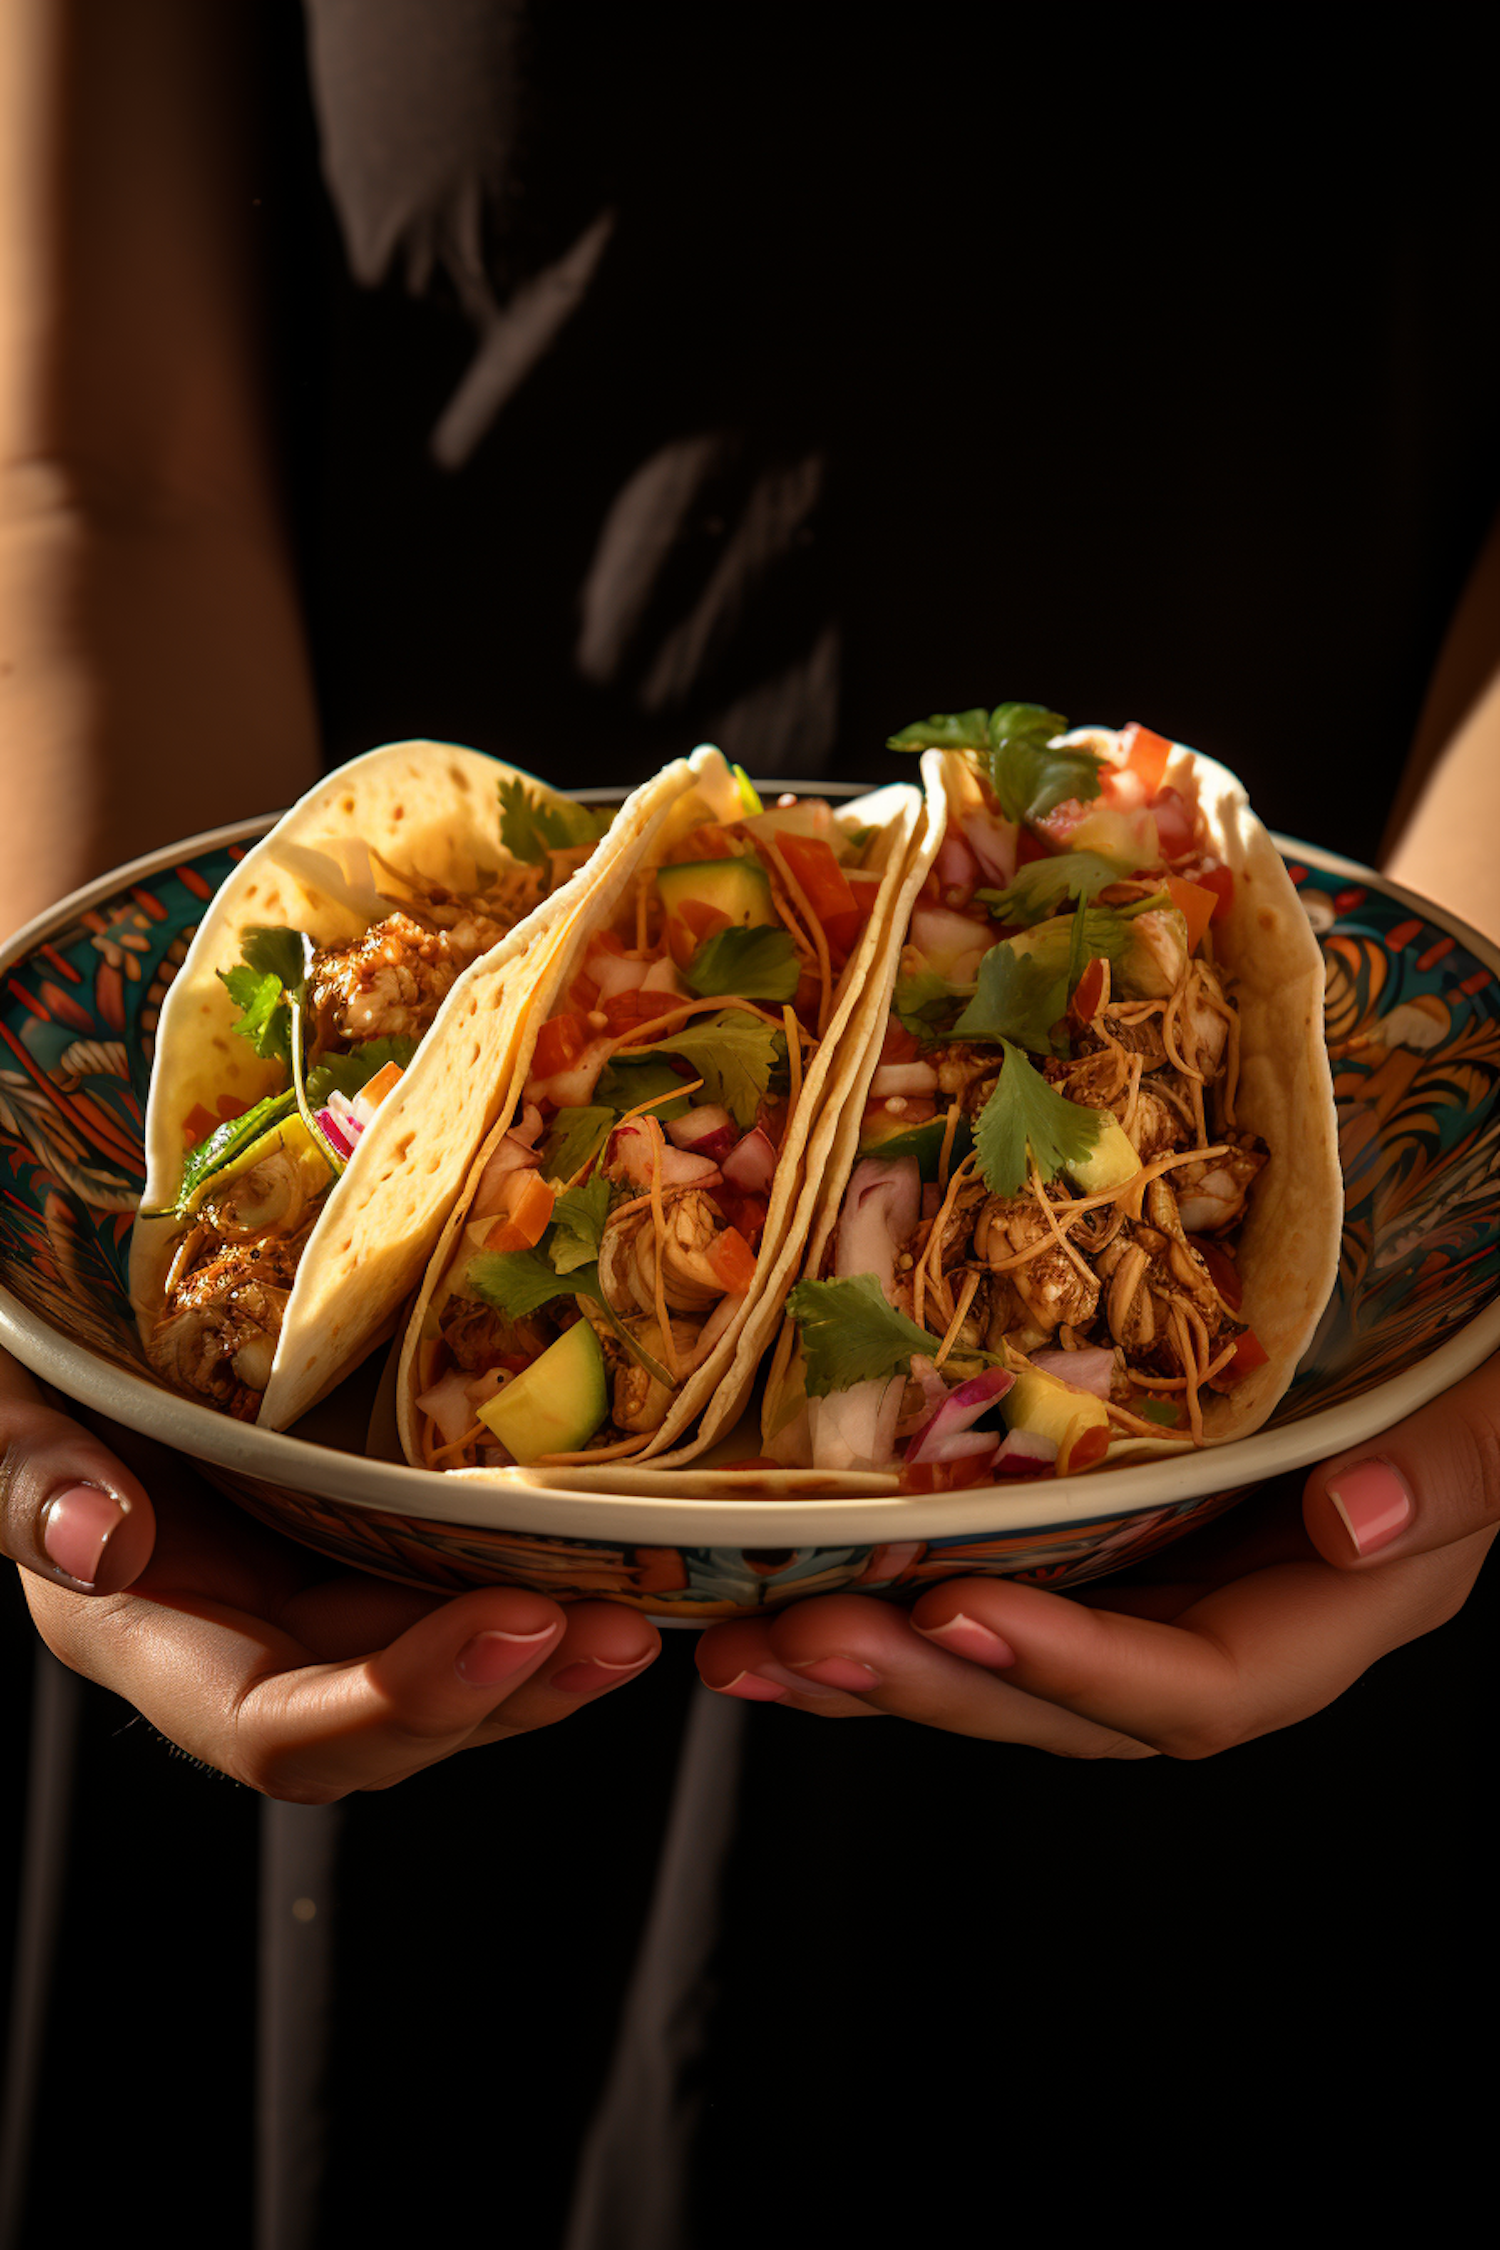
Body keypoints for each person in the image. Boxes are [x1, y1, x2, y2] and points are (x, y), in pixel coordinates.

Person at [1, 6, 1495, 2243]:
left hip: (1287, 1630)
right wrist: (64, 1182)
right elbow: (107, 474)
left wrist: (1456, 1177)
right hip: (354, 1578)